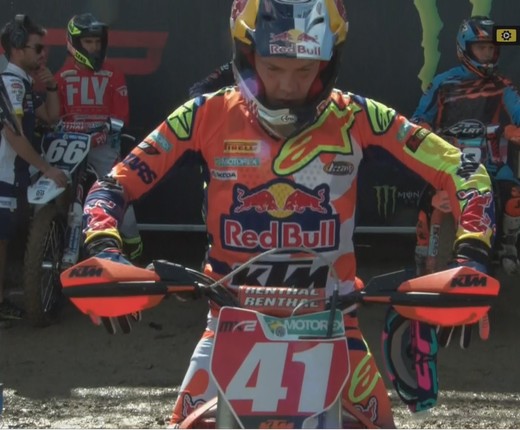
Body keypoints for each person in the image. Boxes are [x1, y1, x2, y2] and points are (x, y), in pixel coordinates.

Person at [81, 1, 495, 427]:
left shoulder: (357, 116)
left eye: (305, 69)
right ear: (246, 55)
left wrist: (471, 257)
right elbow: (113, 185)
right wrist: (106, 251)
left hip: (335, 324)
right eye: (274, 67)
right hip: (228, 324)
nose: (288, 85)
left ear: (328, 62)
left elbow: (463, 170)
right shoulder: (204, 115)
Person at [411, 15, 520, 276]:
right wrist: (424, 131)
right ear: (465, 48)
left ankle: (509, 245)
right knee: (426, 201)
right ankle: (423, 250)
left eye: (491, 48)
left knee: (514, 197)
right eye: (481, 48)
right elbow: (417, 119)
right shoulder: (442, 83)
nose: (487, 54)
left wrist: (513, 131)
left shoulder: (503, 85)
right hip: (449, 164)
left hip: (493, 164)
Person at [54, 12, 142, 260]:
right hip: (69, 145)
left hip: (103, 145)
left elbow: (121, 116)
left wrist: (106, 132)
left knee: (116, 190)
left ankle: (133, 246)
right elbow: (53, 116)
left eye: (97, 42)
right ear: (74, 43)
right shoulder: (61, 77)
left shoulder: (113, 73)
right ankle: (47, 237)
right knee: (50, 186)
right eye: (88, 42)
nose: (94, 47)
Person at [0, 14, 67, 322]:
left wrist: (51, 85)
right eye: (37, 48)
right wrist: (47, 168)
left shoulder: (22, 84)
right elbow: (13, 136)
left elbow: (51, 117)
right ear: (17, 49)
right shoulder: (11, 84)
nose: (43, 54)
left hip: (11, 175)